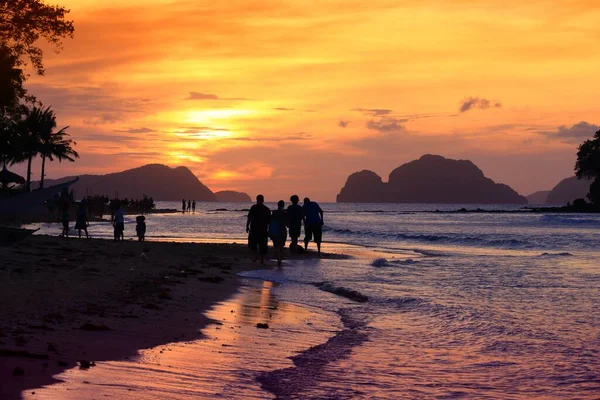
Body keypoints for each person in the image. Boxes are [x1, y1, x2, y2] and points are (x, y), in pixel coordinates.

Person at [246, 194, 271, 265]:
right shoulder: (263, 209)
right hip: (257, 229)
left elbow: (269, 221)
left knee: (260, 245)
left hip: (260, 229)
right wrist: (247, 225)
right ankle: (257, 257)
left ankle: (260, 258)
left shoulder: (265, 209)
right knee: (254, 244)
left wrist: (247, 225)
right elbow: (250, 217)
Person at [270, 200, 288, 267]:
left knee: (277, 245)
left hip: (275, 229)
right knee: (281, 246)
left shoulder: (274, 212)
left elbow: (271, 221)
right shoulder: (285, 213)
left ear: (278, 205)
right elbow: (287, 224)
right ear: (283, 205)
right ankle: (279, 259)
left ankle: (279, 259)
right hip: (282, 230)